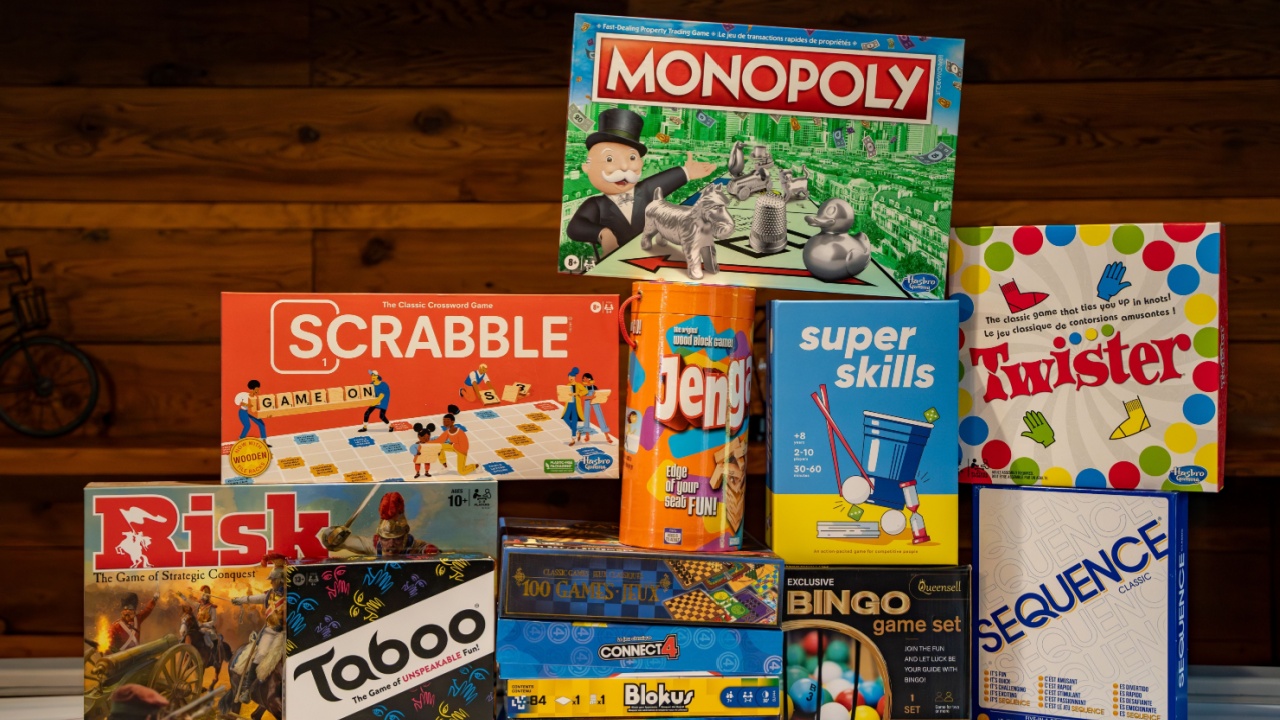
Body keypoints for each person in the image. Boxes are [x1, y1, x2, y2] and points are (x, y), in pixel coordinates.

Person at [566, 109, 717, 258]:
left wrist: (687, 171)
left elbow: (665, 180)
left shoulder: (644, 191)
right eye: (610, 159)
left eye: (632, 158)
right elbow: (575, 227)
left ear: (641, 163)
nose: (625, 168)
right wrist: (603, 234)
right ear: (587, 167)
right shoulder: (596, 204)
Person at [231, 554, 288, 704]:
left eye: (274, 580)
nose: (272, 583)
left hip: (287, 633)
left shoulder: (291, 595)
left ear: (280, 580)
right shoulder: (269, 594)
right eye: (272, 581)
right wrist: (240, 600)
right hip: (270, 632)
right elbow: (254, 598)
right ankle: (247, 690)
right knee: (260, 655)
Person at [318, 491, 440, 556]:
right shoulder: (372, 546)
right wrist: (334, 536)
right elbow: (332, 543)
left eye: (396, 539)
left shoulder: (414, 546)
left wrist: (430, 552)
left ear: (404, 538)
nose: (391, 544)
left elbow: (433, 553)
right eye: (386, 539)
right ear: (379, 537)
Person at [438, 405, 477, 475]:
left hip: (461, 448)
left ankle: (476, 466)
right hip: (454, 444)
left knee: (462, 471)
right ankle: (445, 466)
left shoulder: (456, 426)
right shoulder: (453, 421)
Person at [579, 372, 616, 444]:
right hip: (587, 402)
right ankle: (587, 436)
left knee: (600, 416)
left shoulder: (594, 387)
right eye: (583, 378)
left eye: (585, 378)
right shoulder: (584, 388)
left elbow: (599, 394)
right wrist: (590, 397)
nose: (584, 379)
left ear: (589, 378)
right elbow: (583, 397)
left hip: (595, 401)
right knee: (586, 417)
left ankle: (607, 436)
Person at [180, 585, 219, 650]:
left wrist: (203, 624)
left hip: (208, 628)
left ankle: (213, 654)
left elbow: (214, 621)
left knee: (213, 636)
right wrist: (182, 596)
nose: (202, 598)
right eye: (201, 595)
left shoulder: (212, 608)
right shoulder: (199, 605)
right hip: (198, 627)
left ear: (207, 597)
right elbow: (190, 602)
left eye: (204, 596)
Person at [234, 380, 269, 447]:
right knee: (247, 426)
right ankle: (240, 441)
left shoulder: (255, 398)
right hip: (243, 412)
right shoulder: (244, 395)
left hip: (251, 413)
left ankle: (264, 442)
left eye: (258, 390)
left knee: (262, 425)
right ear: (252, 389)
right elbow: (237, 402)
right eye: (256, 390)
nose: (258, 391)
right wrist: (247, 404)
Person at [561, 367, 587, 445]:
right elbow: (565, 394)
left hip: (576, 404)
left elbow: (585, 391)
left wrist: (577, 394)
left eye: (572, 377)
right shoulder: (567, 385)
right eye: (569, 377)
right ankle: (577, 432)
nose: (570, 378)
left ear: (575, 377)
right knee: (566, 418)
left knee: (574, 421)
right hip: (569, 403)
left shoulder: (578, 385)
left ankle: (573, 439)